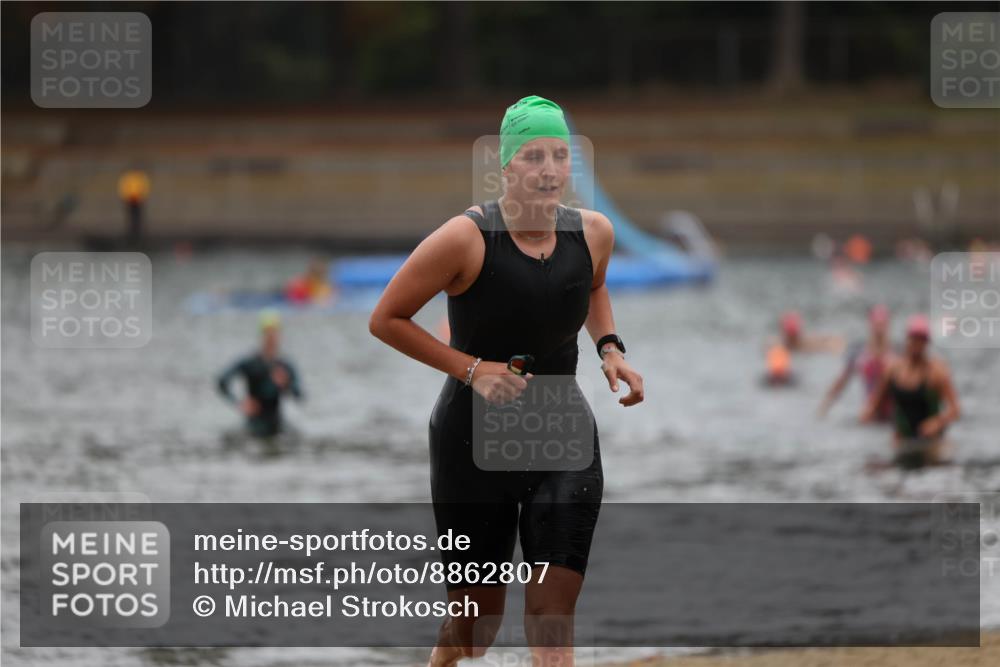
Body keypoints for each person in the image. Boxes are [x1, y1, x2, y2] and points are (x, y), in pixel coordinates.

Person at [368, 95, 644, 667]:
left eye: (560, 155)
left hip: (560, 434)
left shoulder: (594, 233)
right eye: (533, 156)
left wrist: (610, 348)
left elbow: (590, 286)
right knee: (476, 627)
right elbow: (386, 320)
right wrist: (472, 370)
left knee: (551, 612)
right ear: (506, 168)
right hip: (470, 442)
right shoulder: (464, 240)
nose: (548, 169)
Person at [861, 314, 960, 469]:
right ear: (907, 339)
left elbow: (955, 410)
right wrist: (866, 416)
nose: (916, 344)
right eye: (914, 339)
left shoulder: (937, 372)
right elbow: (875, 404)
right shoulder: (893, 370)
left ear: (927, 342)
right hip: (902, 442)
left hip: (931, 443)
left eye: (921, 340)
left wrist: (936, 422)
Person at [217, 310, 303, 437]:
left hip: (277, 423)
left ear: (280, 335)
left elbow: (299, 396)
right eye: (268, 333)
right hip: (254, 424)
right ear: (262, 335)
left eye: (274, 333)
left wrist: (286, 383)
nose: (271, 337)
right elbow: (222, 381)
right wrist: (238, 402)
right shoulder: (249, 363)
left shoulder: (285, 366)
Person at [818, 305, 895, 419]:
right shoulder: (860, 354)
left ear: (888, 325)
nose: (879, 329)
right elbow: (841, 382)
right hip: (869, 413)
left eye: (882, 324)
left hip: (892, 413)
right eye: (877, 324)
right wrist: (824, 407)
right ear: (870, 324)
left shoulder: (897, 354)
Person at [773, 310, 844, 353]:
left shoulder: (807, 344)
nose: (791, 337)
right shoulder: (777, 344)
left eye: (793, 335)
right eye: (790, 335)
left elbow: (834, 343)